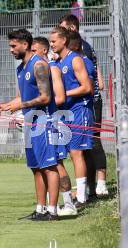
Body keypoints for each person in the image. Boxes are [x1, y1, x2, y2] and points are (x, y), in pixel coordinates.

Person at [0, 29, 60, 220]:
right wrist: (5, 105)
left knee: (49, 167)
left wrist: (21, 105)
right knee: (36, 167)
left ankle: (53, 211)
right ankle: (40, 209)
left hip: (44, 121)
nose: (10, 50)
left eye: (13, 46)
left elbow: (45, 97)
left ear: (25, 44)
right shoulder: (20, 68)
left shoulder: (39, 65)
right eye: (10, 46)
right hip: (31, 123)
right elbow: (22, 97)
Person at [59, 14, 108, 197]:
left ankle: (101, 182)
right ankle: (88, 185)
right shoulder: (75, 49)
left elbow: (90, 79)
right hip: (83, 103)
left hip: (90, 102)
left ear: (72, 28)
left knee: (93, 141)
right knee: (84, 145)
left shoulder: (82, 49)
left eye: (63, 27)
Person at [50, 26, 94, 209]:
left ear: (64, 41)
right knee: (67, 153)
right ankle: (74, 195)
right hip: (65, 112)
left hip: (80, 109)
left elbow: (86, 87)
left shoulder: (75, 60)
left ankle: (82, 198)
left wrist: (64, 93)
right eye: (50, 41)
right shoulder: (58, 62)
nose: (51, 44)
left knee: (77, 152)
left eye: (54, 41)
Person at [32, 37, 77, 216]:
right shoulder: (34, 70)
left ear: (43, 51)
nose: (32, 56)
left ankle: (68, 204)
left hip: (53, 121)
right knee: (44, 165)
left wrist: (37, 105)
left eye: (34, 51)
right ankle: (48, 206)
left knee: (57, 164)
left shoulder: (52, 68)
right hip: (39, 122)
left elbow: (59, 98)